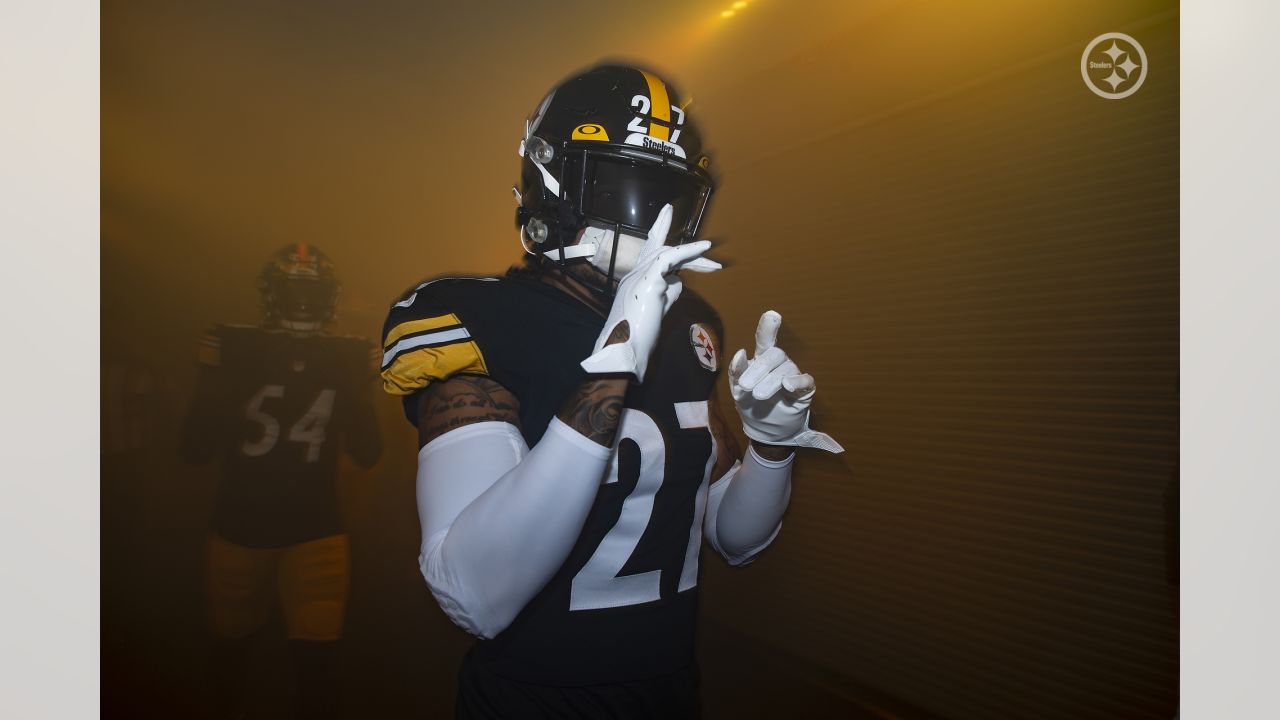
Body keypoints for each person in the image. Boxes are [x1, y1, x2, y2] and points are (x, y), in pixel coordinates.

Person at [380, 64, 842, 718]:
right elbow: (473, 594)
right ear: (551, 184)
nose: (647, 223)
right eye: (620, 190)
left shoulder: (689, 323)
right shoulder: (476, 323)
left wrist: (771, 451)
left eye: (664, 198)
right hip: (532, 701)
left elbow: (730, 538)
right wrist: (615, 364)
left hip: (671, 695)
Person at [182, 243, 382, 719]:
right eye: (296, 292)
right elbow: (368, 452)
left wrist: (220, 382)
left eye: (309, 293)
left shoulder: (235, 346)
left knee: (246, 660)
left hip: (257, 524)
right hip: (301, 526)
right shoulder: (342, 356)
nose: (304, 304)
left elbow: (194, 449)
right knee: (295, 667)